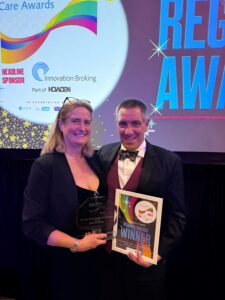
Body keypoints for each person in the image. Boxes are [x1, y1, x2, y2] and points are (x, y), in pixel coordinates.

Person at [97, 99, 186, 300]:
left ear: (147, 124)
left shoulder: (169, 161)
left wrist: (156, 255)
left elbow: (178, 216)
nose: (128, 131)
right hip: (106, 261)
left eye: (136, 123)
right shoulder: (103, 153)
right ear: (116, 123)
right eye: (123, 123)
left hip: (144, 268)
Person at [22, 97, 107, 300]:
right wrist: (77, 244)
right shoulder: (45, 165)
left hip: (98, 262)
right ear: (61, 124)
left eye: (87, 122)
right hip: (64, 264)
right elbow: (32, 224)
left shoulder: (94, 161)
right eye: (75, 121)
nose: (82, 127)